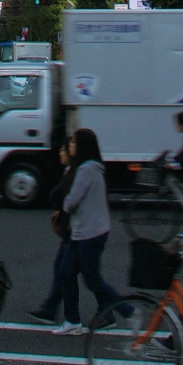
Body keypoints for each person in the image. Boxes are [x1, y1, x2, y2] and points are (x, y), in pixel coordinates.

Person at [28, 129, 121, 332]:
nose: (67, 148)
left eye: (71, 144)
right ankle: (69, 317)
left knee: (86, 275)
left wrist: (65, 205)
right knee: (68, 271)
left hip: (85, 232)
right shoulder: (83, 169)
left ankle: (125, 309)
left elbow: (69, 200)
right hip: (81, 230)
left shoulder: (84, 170)